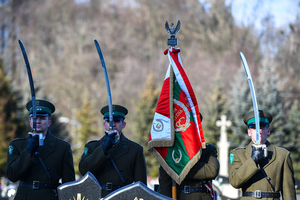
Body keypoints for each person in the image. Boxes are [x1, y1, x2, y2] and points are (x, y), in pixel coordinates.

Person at [6, 99, 75, 200]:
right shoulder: (17, 145)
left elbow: (68, 184)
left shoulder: (62, 147)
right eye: (34, 118)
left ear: (49, 122)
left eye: (42, 118)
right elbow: (12, 175)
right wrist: (28, 151)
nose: (37, 121)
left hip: (49, 196)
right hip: (24, 196)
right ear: (30, 122)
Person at [79, 104, 147, 197]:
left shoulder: (135, 149)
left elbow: (141, 186)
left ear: (123, 124)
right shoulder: (93, 147)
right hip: (98, 196)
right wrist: (103, 149)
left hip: (123, 196)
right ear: (104, 124)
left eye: (117, 121)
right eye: (109, 121)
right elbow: (83, 169)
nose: (113, 124)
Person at [229, 110, 296, 200]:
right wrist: (253, 160)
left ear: (268, 131)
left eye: (262, 127)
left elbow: (289, 192)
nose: (258, 131)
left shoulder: (282, 155)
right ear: (249, 132)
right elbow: (235, 182)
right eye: (254, 127)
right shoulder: (238, 154)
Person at [157, 114, 220, 200]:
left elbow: (212, 171)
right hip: (179, 196)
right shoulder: (171, 153)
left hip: (201, 196)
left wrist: (179, 168)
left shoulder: (207, 149)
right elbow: (165, 184)